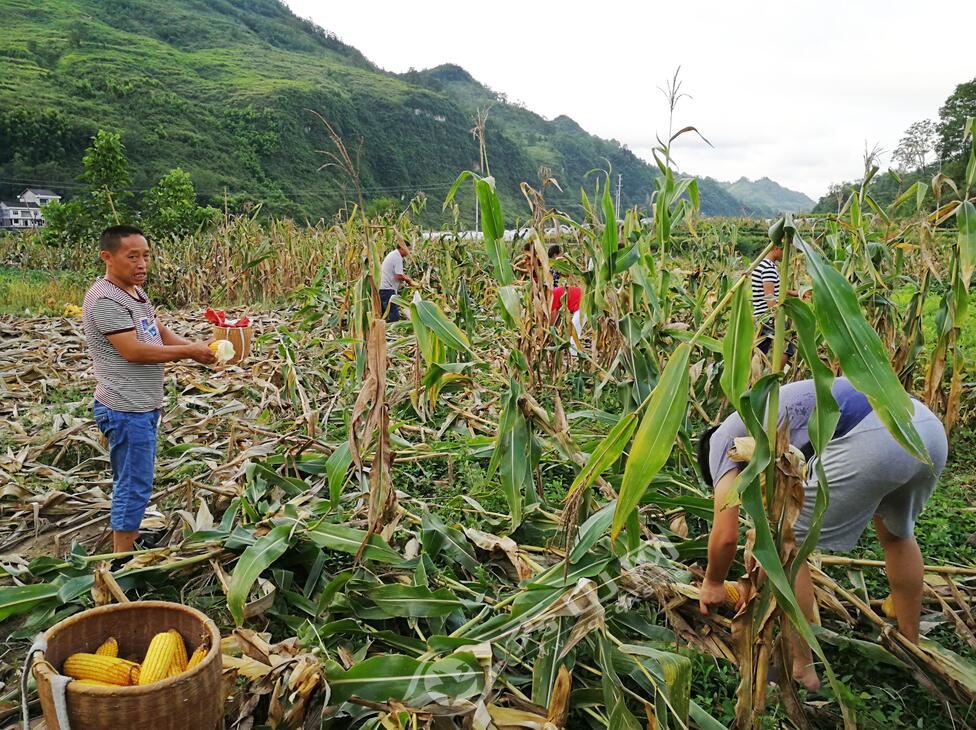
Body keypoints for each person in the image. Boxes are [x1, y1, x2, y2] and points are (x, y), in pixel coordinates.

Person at [696, 378, 947, 691]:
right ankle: (911, 646)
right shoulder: (763, 419)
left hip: (874, 436)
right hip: (924, 427)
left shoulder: (722, 442)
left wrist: (713, 582)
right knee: (897, 537)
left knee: (783, 545)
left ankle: (801, 668)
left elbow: (726, 537)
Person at [82, 225, 216, 554]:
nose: (142, 264)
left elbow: (155, 329)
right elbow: (134, 351)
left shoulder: (134, 292)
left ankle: (128, 539)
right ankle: (122, 559)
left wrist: (198, 348)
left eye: (146, 256)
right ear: (107, 257)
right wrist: (190, 352)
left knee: (135, 479)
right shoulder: (105, 300)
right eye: (132, 257)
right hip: (125, 408)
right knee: (134, 483)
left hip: (141, 405)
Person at [751, 244, 796, 365]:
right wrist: (777, 318)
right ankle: (775, 377)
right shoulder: (768, 269)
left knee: (759, 353)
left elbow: (774, 289)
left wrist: (795, 293)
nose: (786, 255)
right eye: (784, 251)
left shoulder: (762, 265)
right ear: (776, 248)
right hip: (768, 318)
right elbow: (769, 296)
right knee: (788, 346)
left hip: (763, 316)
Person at [378, 240, 416, 322]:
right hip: (387, 290)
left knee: (385, 315)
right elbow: (398, 276)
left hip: (383, 289)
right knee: (394, 317)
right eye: (408, 249)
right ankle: (389, 332)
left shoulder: (393, 255)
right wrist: (408, 280)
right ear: (402, 248)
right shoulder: (397, 257)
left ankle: (384, 333)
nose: (408, 252)